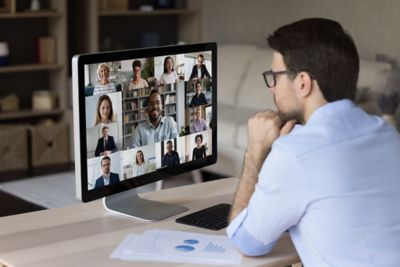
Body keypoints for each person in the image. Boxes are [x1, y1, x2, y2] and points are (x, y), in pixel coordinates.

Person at [227, 18, 400, 267]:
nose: (271, 88)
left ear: (303, 83)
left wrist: (256, 149)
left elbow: (247, 242)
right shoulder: (389, 135)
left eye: (274, 77)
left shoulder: (295, 153)